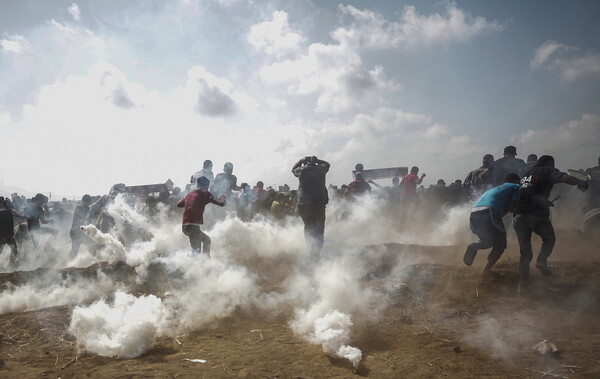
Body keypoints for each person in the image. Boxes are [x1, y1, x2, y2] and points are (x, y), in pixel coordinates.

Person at [513, 155, 589, 293]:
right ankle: (542, 260)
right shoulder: (547, 170)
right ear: (550, 163)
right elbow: (565, 178)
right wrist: (579, 182)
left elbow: (529, 193)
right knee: (549, 238)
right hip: (536, 215)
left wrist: (544, 201)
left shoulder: (526, 174)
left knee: (525, 254)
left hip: (519, 216)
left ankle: (522, 286)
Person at [463, 174, 521, 279]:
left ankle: (474, 246)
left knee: (488, 241)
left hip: (474, 213)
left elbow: (499, 211)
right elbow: (512, 207)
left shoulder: (496, 189)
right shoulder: (516, 187)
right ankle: (486, 271)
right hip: (489, 211)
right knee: (500, 244)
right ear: (517, 181)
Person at [292, 155, 330, 258]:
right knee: (319, 228)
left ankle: (310, 250)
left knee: (308, 227)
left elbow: (293, 169)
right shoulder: (321, 169)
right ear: (315, 162)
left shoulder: (301, 170)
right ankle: (316, 253)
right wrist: (318, 160)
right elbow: (327, 164)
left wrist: (301, 160)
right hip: (319, 203)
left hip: (304, 204)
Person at [177, 176, 225, 255]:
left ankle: (205, 261)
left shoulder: (189, 194)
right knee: (196, 252)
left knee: (206, 241)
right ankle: (197, 265)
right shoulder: (206, 193)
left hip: (185, 226)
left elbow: (179, 205)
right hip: (193, 227)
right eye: (207, 186)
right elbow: (222, 203)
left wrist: (189, 200)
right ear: (206, 185)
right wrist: (223, 198)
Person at [0, 199, 22, 269]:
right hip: (8, 235)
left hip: (1, 235)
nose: (10, 204)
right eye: (9, 203)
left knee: (1, 250)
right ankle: (11, 265)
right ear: (6, 204)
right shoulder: (11, 211)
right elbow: (21, 216)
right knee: (14, 249)